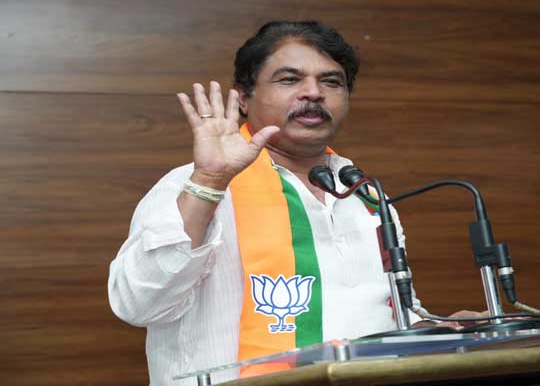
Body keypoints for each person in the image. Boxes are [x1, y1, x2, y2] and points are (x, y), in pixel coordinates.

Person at [108, 20, 468, 386]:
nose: (313, 92)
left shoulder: (364, 194)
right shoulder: (193, 186)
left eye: (332, 82)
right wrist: (210, 181)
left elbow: (379, 311)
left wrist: (435, 328)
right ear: (244, 97)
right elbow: (138, 303)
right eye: (290, 79)